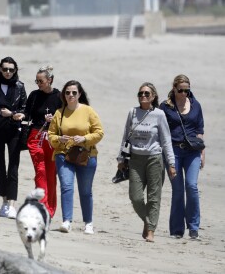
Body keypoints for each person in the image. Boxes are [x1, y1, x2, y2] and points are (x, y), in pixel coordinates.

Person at [117, 82, 176, 242]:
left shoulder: (159, 114)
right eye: (141, 93)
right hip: (135, 159)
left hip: (155, 159)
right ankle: (148, 221)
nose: (143, 96)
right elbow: (125, 136)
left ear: (153, 96)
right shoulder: (133, 112)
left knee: (153, 197)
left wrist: (171, 163)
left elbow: (166, 140)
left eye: (147, 94)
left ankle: (150, 230)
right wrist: (121, 158)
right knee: (135, 197)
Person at [48, 80, 104, 234]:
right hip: (63, 155)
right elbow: (51, 136)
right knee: (66, 187)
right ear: (63, 95)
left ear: (79, 94)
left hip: (86, 156)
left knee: (85, 190)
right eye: (67, 92)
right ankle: (66, 221)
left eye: (74, 92)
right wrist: (60, 139)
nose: (71, 95)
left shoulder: (88, 111)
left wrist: (84, 139)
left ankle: (88, 223)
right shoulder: (59, 113)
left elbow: (99, 133)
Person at [160, 74, 205, 239]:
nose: (184, 93)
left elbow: (199, 130)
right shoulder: (165, 107)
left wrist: (202, 153)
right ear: (174, 88)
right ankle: (177, 230)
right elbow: (159, 130)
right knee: (178, 190)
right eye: (181, 90)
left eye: (187, 90)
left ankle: (193, 227)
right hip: (173, 152)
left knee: (191, 186)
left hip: (193, 151)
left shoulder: (195, 105)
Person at [0, 57, 27, 219]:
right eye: (5, 69)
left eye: (11, 70)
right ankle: (3, 202)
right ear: (0, 69)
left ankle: (12, 205)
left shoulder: (20, 87)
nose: (8, 72)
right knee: (0, 169)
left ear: (15, 71)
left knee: (13, 168)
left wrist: (13, 114)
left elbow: (25, 109)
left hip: (14, 131)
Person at [17, 65, 62, 218]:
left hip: (53, 138)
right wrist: (20, 116)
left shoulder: (59, 97)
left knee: (51, 172)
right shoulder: (34, 95)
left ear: (50, 80)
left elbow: (66, 118)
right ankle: (42, 205)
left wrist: (54, 119)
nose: (38, 84)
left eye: (41, 81)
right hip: (36, 137)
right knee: (40, 171)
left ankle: (50, 208)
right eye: (36, 81)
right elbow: (27, 114)